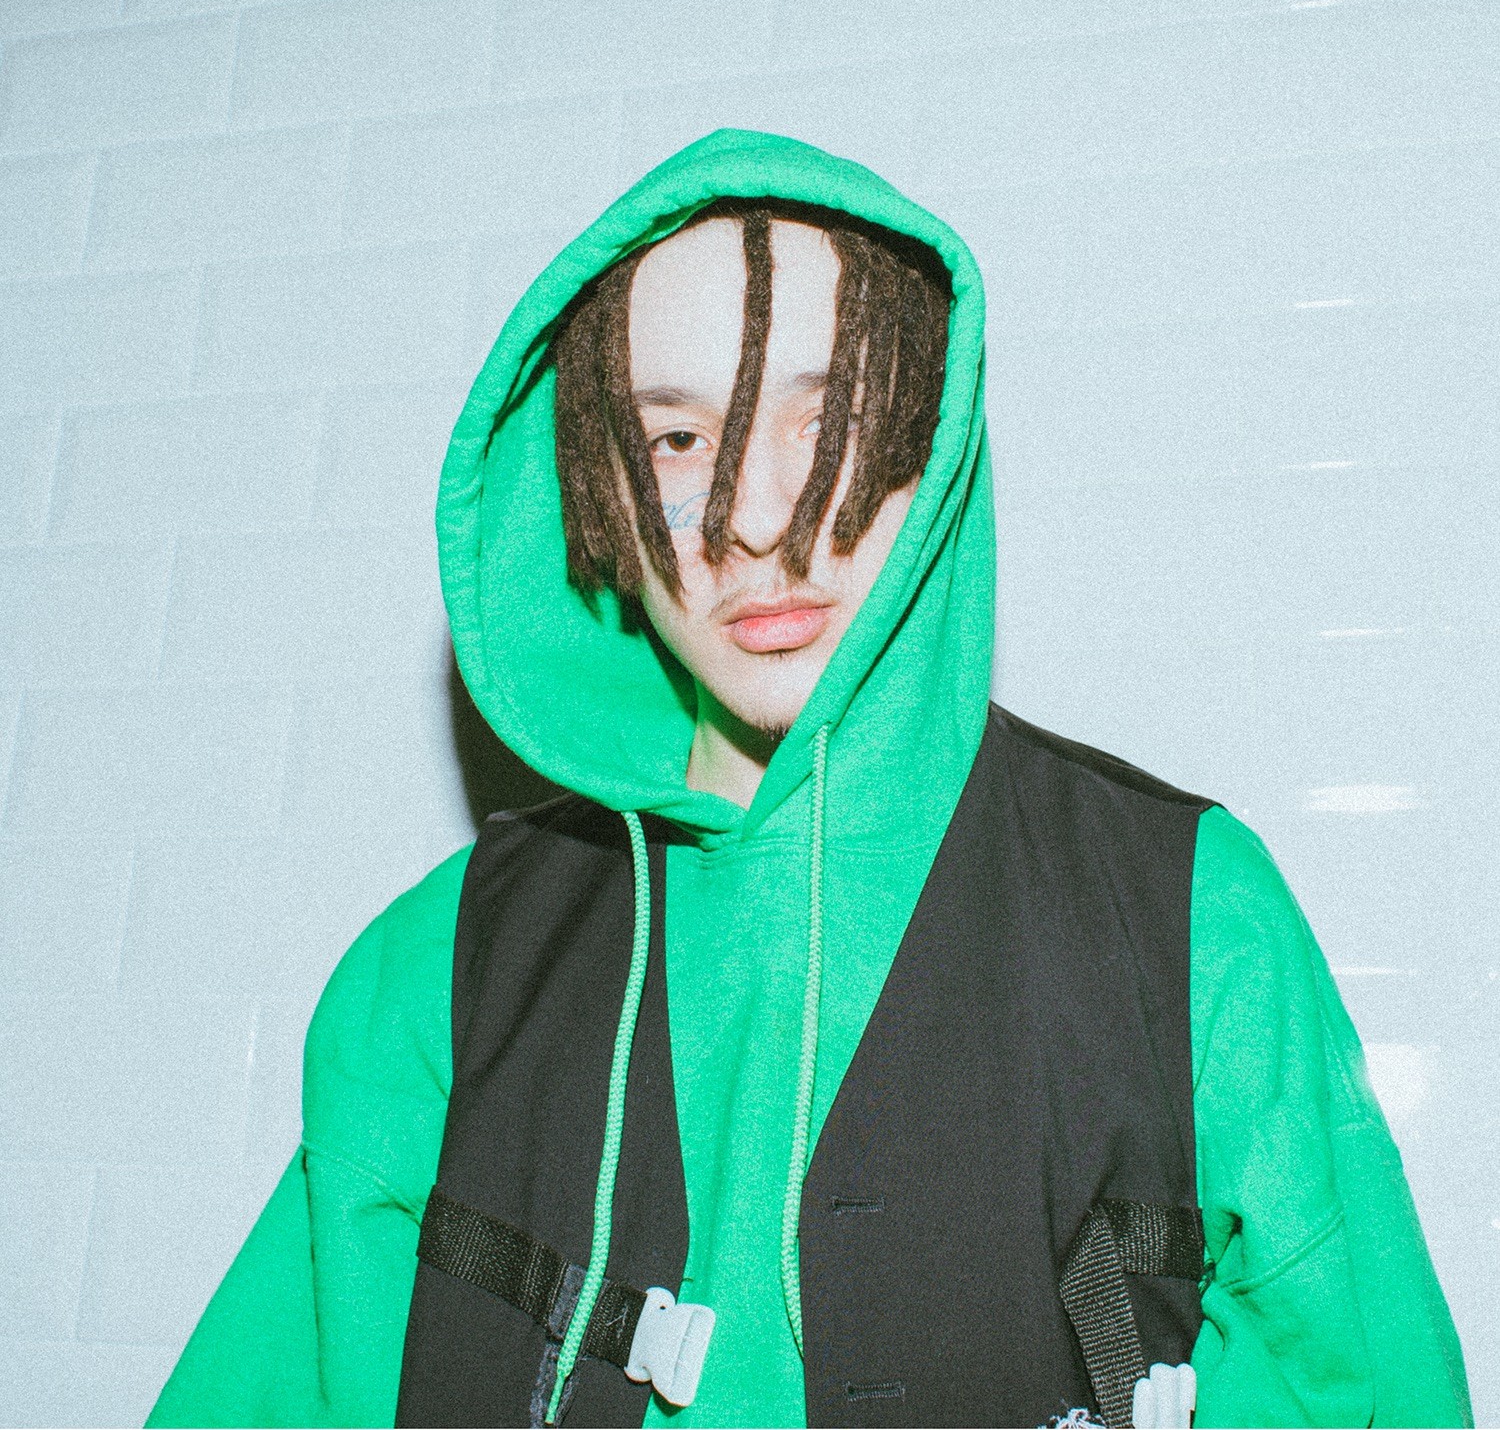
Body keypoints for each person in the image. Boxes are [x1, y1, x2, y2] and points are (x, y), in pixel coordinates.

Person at [147, 130, 1470, 1430]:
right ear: (596, 483)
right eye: (676, 440)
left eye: (828, 417)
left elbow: (1361, 1384)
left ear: (933, 440)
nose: (756, 516)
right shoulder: (442, 963)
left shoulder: (1188, 913)